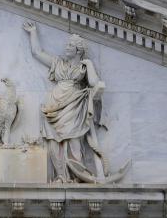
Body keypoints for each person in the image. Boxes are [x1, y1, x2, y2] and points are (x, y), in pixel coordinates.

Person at [22, 21, 126, 183]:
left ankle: (78, 175)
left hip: (74, 105)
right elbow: (37, 52)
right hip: (53, 107)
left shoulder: (83, 68)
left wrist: (90, 64)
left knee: (74, 142)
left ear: (78, 50)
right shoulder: (58, 63)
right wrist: (33, 32)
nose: (66, 47)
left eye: (70, 45)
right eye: (67, 44)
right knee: (53, 143)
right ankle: (61, 176)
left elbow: (94, 83)